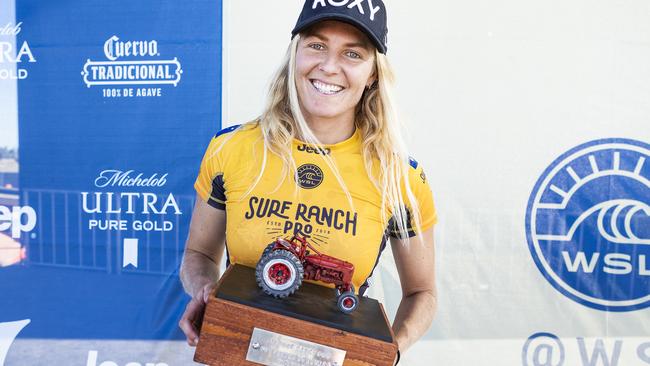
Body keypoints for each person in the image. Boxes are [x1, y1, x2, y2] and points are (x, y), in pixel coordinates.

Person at [178, 0, 438, 361]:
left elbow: (421, 292)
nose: (329, 67)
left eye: (352, 54)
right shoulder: (231, 148)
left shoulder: (401, 177)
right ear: (294, 54)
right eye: (316, 45)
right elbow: (199, 253)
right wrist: (206, 293)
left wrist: (386, 350)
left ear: (373, 74)